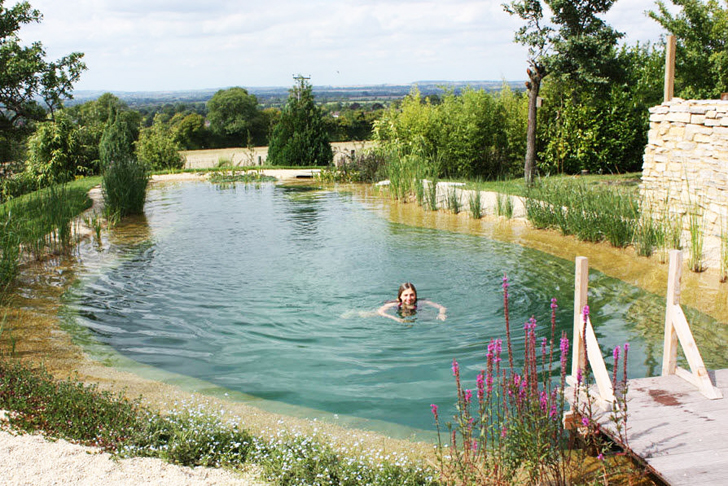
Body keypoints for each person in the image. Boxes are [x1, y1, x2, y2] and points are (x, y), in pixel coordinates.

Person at [377, 282, 447, 323]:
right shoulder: (394, 303)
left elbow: (442, 307)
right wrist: (395, 318)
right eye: (405, 295)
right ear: (400, 296)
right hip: (399, 312)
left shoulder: (421, 302)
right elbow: (380, 312)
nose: (409, 298)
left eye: (412, 295)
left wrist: (441, 314)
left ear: (415, 295)